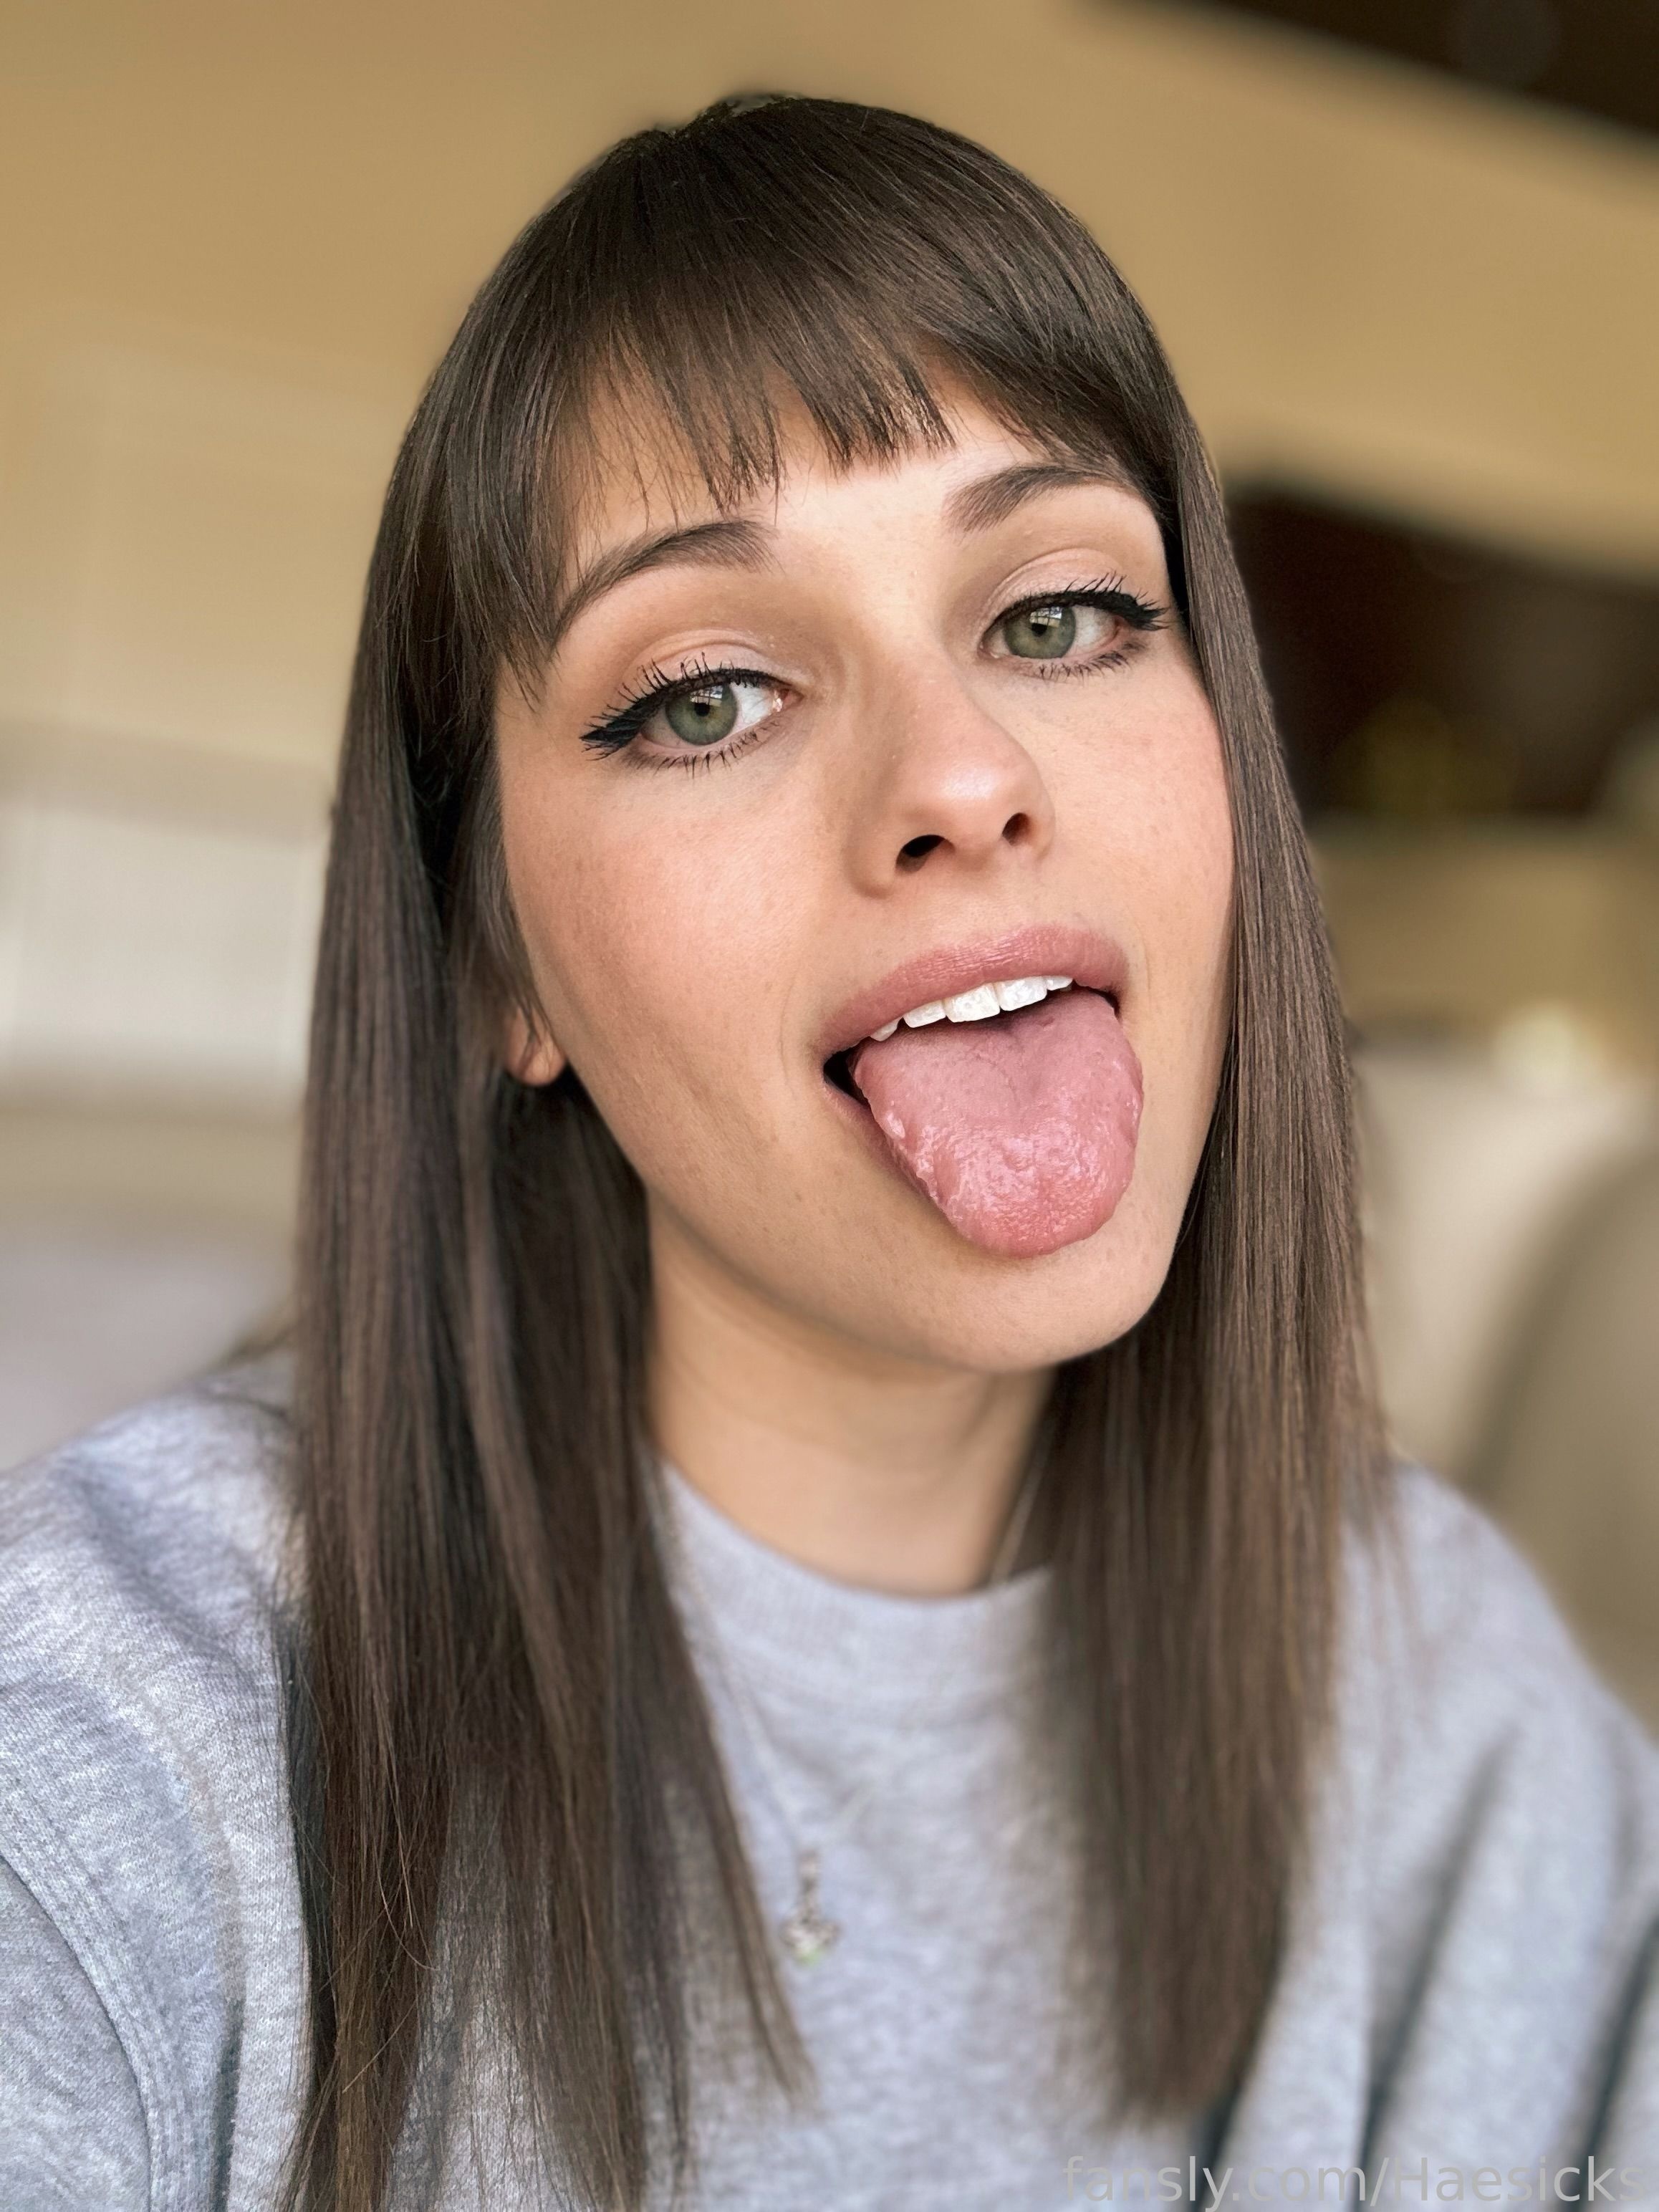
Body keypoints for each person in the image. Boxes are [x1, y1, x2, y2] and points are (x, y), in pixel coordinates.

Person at [1, 93, 1654, 2212]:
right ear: (493, 959)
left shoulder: (1455, 1720)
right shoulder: (119, 1732)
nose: (960, 773)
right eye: (705, 696)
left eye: (1057, 616)